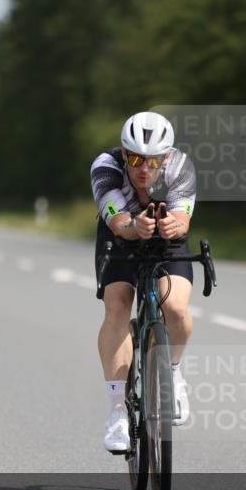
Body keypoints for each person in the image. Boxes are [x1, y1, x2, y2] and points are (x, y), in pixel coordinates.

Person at [92, 111, 197, 452]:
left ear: (166, 157)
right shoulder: (106, 167)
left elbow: (182, 219)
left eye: (153, 161)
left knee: (175, 308)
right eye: (136, 159)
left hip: (166, 237)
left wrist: (173, 226)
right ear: (124, 153)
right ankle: (117, 413)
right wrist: (132, 227)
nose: (144, 169)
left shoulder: (181, 167)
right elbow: (117, 221)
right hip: (121, 236)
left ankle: (174, 373)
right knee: (118, 305)